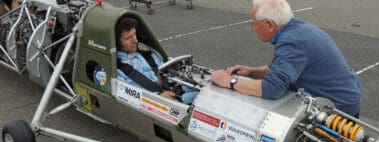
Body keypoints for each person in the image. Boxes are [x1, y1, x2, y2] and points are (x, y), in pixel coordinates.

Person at [211, 0, 361, 117]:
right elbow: (285, 69)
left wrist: (228, 81)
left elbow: (272, 88)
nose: (253, 28)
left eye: (254, 23)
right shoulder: (297, 28)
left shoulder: (293, 41)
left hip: (338, 109)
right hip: (345, 95)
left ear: (269, 24)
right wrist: (252, 72)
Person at [95, 17, 197, 104]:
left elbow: (167, 75)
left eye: (134, 34)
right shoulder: (110, 71)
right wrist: (159, 98)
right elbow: (124, 97)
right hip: (154, 104)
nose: (135, 40)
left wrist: (184, 86)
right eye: (128, 38)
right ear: (116, 43)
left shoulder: (151, 56)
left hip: (173, 92)